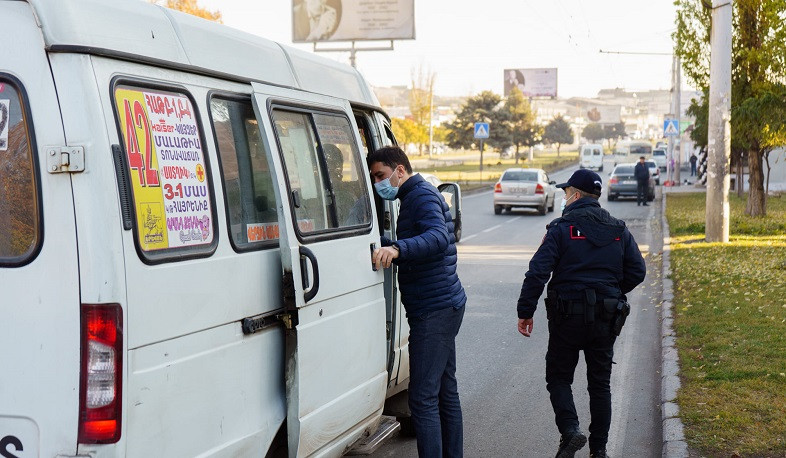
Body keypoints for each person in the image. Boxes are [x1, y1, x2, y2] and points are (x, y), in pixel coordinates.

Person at [516, 169, 646, 458]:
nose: (564, 198)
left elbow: (537, 272)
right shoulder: (618, 229)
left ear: (575, 195)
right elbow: (638, 271)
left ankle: (571, 431)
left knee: (559, 377)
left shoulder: (561, 228)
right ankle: (599, 451)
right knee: (600, 384)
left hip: (567, 318)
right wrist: (611, 291)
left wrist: (526, 311)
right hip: (606, 317)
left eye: (565, 193)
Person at [368, 146, 466, 458]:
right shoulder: (414, 196)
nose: (377, 183)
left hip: (434, 310)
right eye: (373, 178)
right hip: (444, 303)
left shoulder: (420, 195)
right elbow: (422, 237)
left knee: (423, 398)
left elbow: (437, 237)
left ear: (400, 170)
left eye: (381, 175)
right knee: (444, 392)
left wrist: (397, 248)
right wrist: (382, 244)